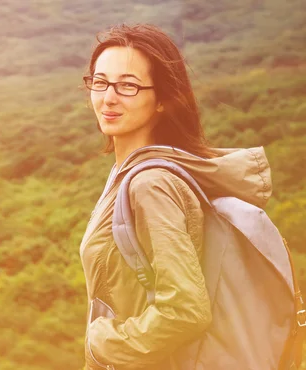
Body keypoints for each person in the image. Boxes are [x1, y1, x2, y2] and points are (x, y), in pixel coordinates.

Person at [80, 24, 273, 369]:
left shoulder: (151, 184)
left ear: (162, 101)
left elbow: (184, 310)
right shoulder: (128, 173)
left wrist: (103, 345)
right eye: (100, 81)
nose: (108, 97)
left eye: (128, 85)